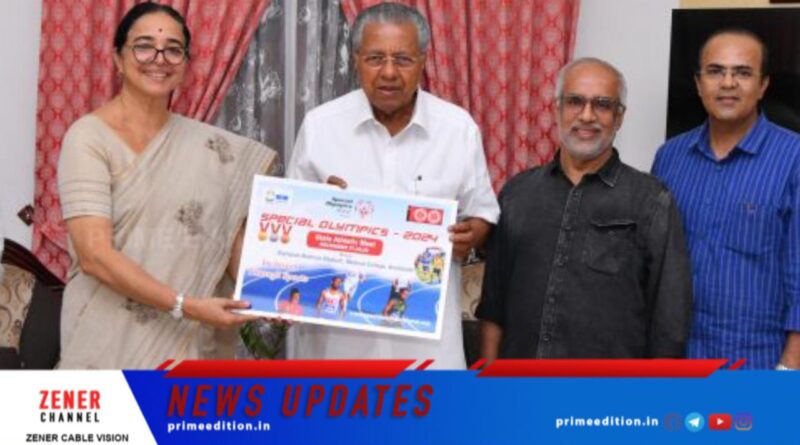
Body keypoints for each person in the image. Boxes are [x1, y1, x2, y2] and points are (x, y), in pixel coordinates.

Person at [57, 3, 277, 368]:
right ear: (118, 59)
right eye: (144, 46)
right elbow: (95, 255)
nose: (159, 59)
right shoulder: (88, 139)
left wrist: (282, 292)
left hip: (185, 348)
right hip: (107, 343)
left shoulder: (212, 149)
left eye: (173, 49)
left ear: (186, 64)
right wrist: (185, 305)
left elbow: (228, 243)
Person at [286, 2, 499, 368]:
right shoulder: (321, 127)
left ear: (423, 61)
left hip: (428, 350)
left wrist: (471, 235)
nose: (388, 72)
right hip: (338, 349)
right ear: (356, 60)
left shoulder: (457, 129)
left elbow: (482, 213)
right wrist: (317, 208)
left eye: (402, 59)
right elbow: (288, 223)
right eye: (375, 58)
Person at [477, 57, 693, 360]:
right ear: (557, 109)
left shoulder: (651, 200)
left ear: (619, 117)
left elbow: (669, 319)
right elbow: (494, 302)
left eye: (602, 104)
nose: (587, 115)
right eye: (575, 101)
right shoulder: (518, 194)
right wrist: (487, 376)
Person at [653, 29, 800, 370]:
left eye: (743, 72)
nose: (728, 83)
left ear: (763, 85)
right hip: (678, 357)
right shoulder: (669, 158)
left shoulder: (794, 159)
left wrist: (789, 369)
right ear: (698, 83)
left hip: (758, 363)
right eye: (715, 71)